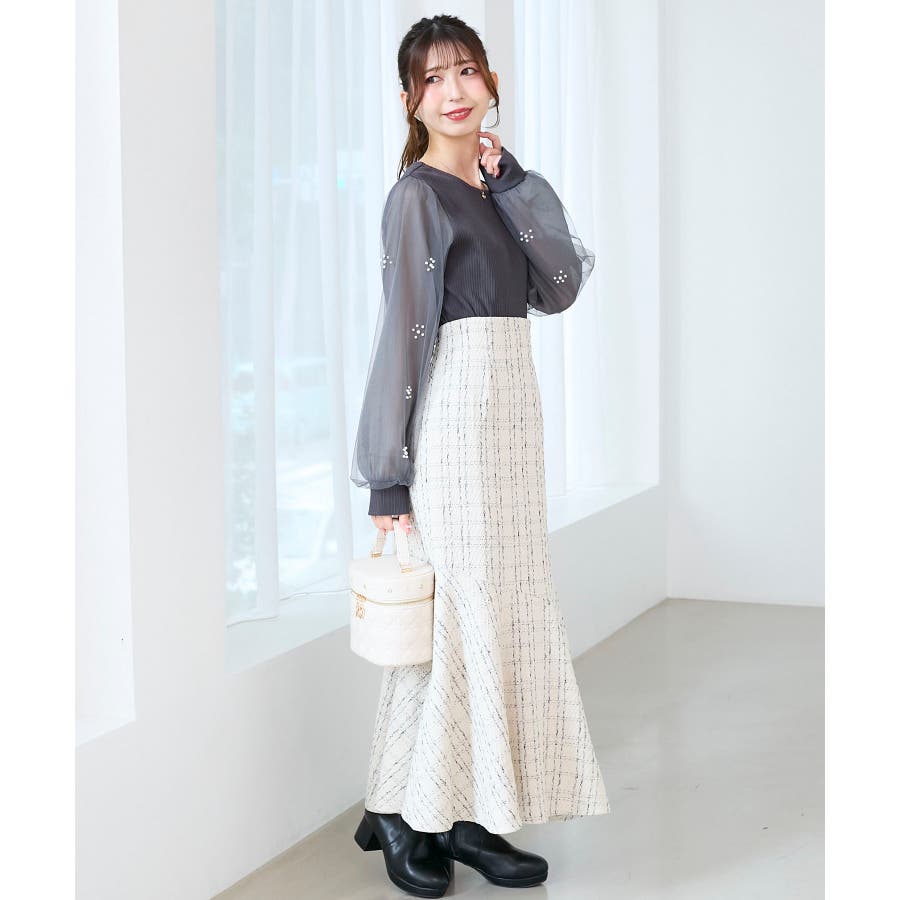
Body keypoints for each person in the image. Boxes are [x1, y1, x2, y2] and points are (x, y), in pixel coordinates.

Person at [350, 14, 611, 898]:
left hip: (512, 420)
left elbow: (561, 287)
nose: (454, 92)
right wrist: (389, 473)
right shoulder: (417, 197)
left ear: (490, 81)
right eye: (433, 79)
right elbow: (402, 335)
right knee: (456, 616)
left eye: (466, 71)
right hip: (455, 421)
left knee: (497, 611)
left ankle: (463, 808)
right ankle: (400, 808)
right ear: (409, 101)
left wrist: (515, 187)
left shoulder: (499, 191)